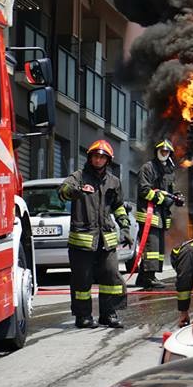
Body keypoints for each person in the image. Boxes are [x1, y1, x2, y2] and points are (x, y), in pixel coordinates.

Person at [58, 139, 131, 328]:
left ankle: (109, 314)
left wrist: (125, 227)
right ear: (90, 157)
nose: (98, 160)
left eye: (102, 157)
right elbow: (63, 192)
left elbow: (119, 207)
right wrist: (74, 190)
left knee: (111, 275)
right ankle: (83, 316)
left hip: (106, 239)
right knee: (82, 281)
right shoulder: (79, 177)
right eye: (95, 156)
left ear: (108, 160)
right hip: (83, 241)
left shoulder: (114, 182)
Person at [134, 139, 183, 289]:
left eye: (167, 151)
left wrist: (178, 197)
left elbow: (172, 191)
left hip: (161, 215)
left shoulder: (169, 170)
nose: (164, 153)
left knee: (158, 248)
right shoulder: (148, 168)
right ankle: (149, 278)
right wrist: (162, 199)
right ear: (157, 152)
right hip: (149, 215)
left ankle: (143, 277)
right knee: (152, 247)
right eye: (162, 151)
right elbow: (144, 190)